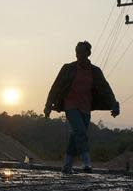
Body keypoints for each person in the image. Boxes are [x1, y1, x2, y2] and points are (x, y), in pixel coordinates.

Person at [44, 41, 120, 174]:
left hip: (86, 107)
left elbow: (105, 88)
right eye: (76, 52)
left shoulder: (95, 71)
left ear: (88, 53)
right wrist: (48, 105)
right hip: (70, 105)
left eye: (81, 52)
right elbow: (55, 87)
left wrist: (114, 103)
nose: (78, 55)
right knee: (80, 132)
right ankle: (87, 163)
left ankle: (67, 166)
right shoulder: (68, 68)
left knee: (76, 136)